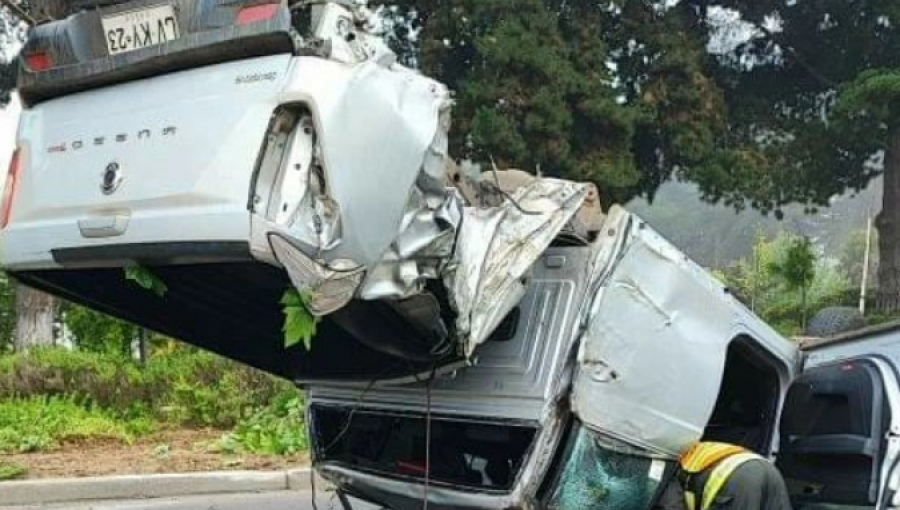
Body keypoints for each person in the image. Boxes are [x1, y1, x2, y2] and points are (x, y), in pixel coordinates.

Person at [653, 441, 793, 510]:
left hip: (738, 479)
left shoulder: (670, 472)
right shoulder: (692, 450)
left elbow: (670, 506)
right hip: (767, 467)